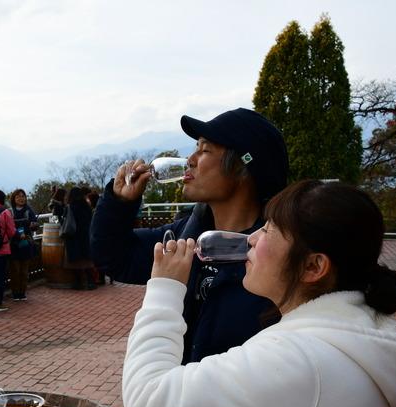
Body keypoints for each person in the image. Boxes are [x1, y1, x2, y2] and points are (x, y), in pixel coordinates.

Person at [122, 180, 396, 407]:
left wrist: (165, 287)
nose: (252, 238)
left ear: (313, 266)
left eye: (269, 229)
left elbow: (147, 396)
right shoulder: (360, 332)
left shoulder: (295, 361)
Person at [91, 108, 288, 362]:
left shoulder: (277, 255)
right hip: (178, 394)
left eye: (204, 150)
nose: (190, 160)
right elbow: (115, 257)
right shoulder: (183, 238)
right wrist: (119, 202)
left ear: (242, 166)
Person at [8, 188, 38, 301]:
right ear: (13, 199)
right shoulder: (9, 211)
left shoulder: (29, 210)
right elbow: (8, 227)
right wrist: (16, 234)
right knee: (15, 270)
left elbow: (35, 225)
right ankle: (15, 293)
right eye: (18, 196)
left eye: (23, 196)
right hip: (14, 244)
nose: (21, 198)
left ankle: (22, 292)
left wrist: (34, 225)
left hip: (26, 243)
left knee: (24, 271)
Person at [63, 187, 96, 290]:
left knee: (75, 261)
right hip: (86, 236)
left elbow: (65, 222)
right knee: (87, 260)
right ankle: (91, 282)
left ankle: (78, 283)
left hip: (73, 236)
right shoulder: (87, 206)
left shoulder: (70, 207)